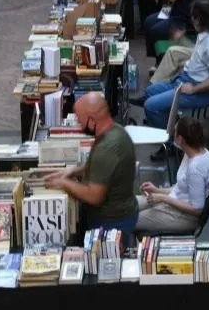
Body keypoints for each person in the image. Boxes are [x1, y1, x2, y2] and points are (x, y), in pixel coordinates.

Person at [44, 92, 139, 235]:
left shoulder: (106, 148)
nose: (79, 123)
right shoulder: (117, 132)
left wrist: (64, 183)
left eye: (79, 118)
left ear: (92, 120)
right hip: (121, 213)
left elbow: (93, 196)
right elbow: (104, 170)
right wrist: (74, 171)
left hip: (109, 223)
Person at [139, 0, 209, 130]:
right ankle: (168, 123)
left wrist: (193, 89)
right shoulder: (205, 34)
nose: (191, 19)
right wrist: (182, 40)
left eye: (193, 17)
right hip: (185, 79)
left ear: (199, 19)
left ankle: (170, 144)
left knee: (150, 105)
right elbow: (198, 56)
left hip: (199, 90)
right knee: (150, 92)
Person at [136, 117, 209, 233]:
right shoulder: (197, 152)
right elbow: (182, 188)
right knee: (129, 206)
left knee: (131, 220)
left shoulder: (195, 169)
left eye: (175, 133)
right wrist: (157, 190)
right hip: (175, 203)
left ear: (181, 139)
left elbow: (197, 208)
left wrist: (163, 198)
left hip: (185, 216)